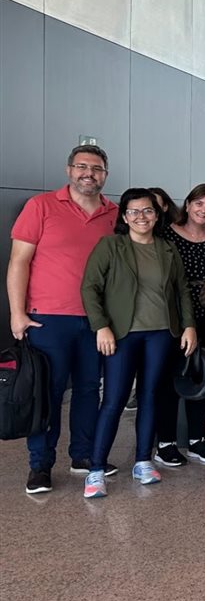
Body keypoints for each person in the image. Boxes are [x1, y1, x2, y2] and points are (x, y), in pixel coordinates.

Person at [8, 144, 118, 494]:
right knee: (48, 394)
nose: (89, 173)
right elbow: (18, 262)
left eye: (97, 168)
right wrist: (17, 313)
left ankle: (82, 456)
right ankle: (40, 466)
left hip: (97, 321)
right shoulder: (40, 206)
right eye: (82, 166)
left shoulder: (115, 214)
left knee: (88, 390)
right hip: (48, 319)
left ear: (105, 174)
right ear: (69, 170)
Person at [80, 189, 197, 498]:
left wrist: (188, 326)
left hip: (160, 333)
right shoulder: (111, 246)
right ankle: (96, 468)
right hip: (122, 334)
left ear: (157, 216)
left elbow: (181, 290)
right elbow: (90, 287)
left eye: (147, 211)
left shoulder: (167, 249)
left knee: (150, 397)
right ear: (124, 216)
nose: (141, 217)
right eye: (134, 212)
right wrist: (101, 327)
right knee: (114, 400)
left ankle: (143, 460)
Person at [158, 183, 205, 466]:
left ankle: (197, 440)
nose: (204, 210)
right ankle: (165, 442)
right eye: (199, 204)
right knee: (169, 380)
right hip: (172, 319)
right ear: (187, 205)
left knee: (203, 377)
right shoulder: (165, 236)